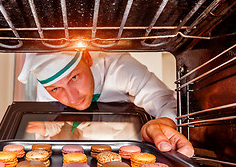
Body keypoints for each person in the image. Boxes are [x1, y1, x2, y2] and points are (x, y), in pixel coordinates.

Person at [18, 50, 194, 158]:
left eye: (74, 77)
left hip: (124, 150)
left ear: (86, 58)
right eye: (56, 89)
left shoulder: (120, 67)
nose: (71, 98)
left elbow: (165, 101)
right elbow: (50, 132)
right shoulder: (45, 90)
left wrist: (162, 123)